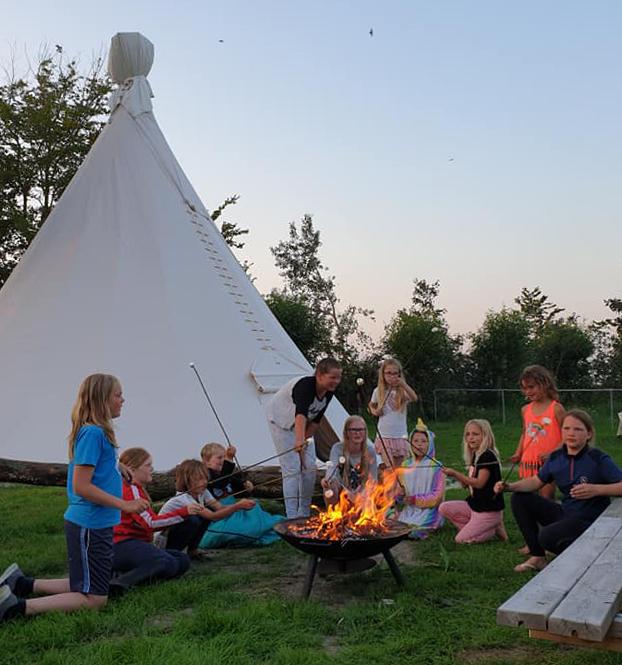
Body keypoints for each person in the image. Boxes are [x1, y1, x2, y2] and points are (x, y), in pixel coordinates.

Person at [0, 374, 149, 622]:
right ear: (102, 399)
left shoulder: (99, 433)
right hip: (89, 524)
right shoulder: (92, 433)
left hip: (96, 523)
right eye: (118, 395)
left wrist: (119, 467)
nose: (123, 400)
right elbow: (81, 486)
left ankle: (21, 584)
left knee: (91, 582)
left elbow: (97, 465)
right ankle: (14, 609)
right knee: (95, 598)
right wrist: (124, 504)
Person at [496, 409, 622, 573]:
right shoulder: (556, 457)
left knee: (547, 536)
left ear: (589, 434)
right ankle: (538, 557)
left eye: (578, 429)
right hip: (566, 513)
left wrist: (596, 489)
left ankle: (590, 555)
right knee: (520, 498)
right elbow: (536, 481)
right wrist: (510, 486)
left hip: (589, 520)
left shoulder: (598, 458)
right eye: (566, 428)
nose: (571, 433)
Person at [110, 447, 201, 592]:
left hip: (135, 544)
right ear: (132, 469)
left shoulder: (137, 489)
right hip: (122, 545)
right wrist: (184, 512)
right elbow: (150, 523)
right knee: (164, 561)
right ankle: (120, 583)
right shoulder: (131, 489)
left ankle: (134, 574)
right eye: (148, 465)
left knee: (182, 559)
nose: (152, 469)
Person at [266, 357, 342, 518]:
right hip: (281, 423)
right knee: (292, 469)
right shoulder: (306, 386)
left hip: (302, 426)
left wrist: (304, 441)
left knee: (309, 467)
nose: (336, 381)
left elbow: (316, 420)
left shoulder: (329, 392)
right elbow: (300, 414)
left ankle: (304, 511)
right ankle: (292, 515)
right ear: (320, 375)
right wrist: (299, 441)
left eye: (338, 377)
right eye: (333, 377)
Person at [154, 460, 255, 555]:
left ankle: (193, 550)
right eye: (199, 479)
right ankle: (173, 553)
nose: (204, 482)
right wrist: (237, 506)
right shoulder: (183, 499)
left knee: (203, 515)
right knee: (194, 520)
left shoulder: (203, 492)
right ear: (186, 481)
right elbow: (213, 516)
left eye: (205, 478)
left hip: (174, 532)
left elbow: (219, 508)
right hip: (162, 540)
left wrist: (239, 506)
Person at [197, 443, 283, 547]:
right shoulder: (206, 476)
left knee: (258, 515)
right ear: (206, 461)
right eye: (219, 458)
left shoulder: (226, 474)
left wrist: (245, 485)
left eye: (224, 457)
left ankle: (270, 527)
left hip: (234, 510)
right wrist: (229, 459)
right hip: (220, 516)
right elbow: (221, 482)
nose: (223, 460)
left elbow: (235, 484)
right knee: (246, 528)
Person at [438, 419, 506, 544]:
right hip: (475, 506)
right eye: (468, 434)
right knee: (444, 508)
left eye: (475, 434)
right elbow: (469, 484)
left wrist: (456, 473)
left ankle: (489, 529)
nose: (470, 437)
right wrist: (458, 478)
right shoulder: (476, 454)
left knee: (460, 539)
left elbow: (479, 483)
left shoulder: (487, 455)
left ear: (485, 436)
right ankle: (483, 528)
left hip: (487, 509)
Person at [511, 365, 565, 500]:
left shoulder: (556, 409)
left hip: (548, 463)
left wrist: (554, 453)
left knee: (546, 499)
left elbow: (567, 436)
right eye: (524, 388)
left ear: (544, 384)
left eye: (531, 387)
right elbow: (525, 433)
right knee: (528, 499)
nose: (527, 391)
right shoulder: (525, 410)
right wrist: (518, 453)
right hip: (528, 463)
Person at [394, 419, 445, 539]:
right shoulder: (405, 465)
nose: (419, 444)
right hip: (409, 511)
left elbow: (437, 497)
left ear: (430, 443)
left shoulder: (436, 466)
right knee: (393, 525)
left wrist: (415, 500)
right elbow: (399, 494)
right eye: (415, 441)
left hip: (429, 511)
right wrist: (400, 495)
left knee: (414, 531)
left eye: (423, 441)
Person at [368, 357, 418, 468]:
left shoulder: (402, 391)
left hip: (400, 435)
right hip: (384, 435)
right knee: (390, 468)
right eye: (388, 373)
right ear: (383, 374)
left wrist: (403, 385)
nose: (392, 376)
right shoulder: (378, 391)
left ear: (399, 374)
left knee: (400, 469)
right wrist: (375, 412)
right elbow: (371, 405)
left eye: (395, 373)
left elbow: (414, 398)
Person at [321, 415, 377, 505]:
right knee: (330, 487)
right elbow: (331, 471)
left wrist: (360, 496)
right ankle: (333, 511)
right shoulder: (338, 449)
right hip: (342, 492)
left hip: (363, 495)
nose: (357, 433)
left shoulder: (370, 451)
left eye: (361, 430)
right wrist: (327, 480)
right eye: (353, 430)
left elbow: (373, 479)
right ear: (347, 433)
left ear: (365, 432)